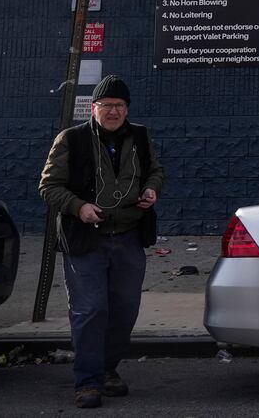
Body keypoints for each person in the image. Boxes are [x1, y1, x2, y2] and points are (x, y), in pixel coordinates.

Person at [39, 75, 164, 409]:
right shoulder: (71, 139)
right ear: (92, 108)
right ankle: (88, 381)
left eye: (119, 106)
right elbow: (49, 186)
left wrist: (152, 189)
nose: (113, 111)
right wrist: (79, 207)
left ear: (127, 109)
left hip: (128, 237)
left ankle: (108, 369)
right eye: (106, 105)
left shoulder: (139, 135)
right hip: (86, 240)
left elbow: (156, 171)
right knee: (91, 310)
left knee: (124, 309)